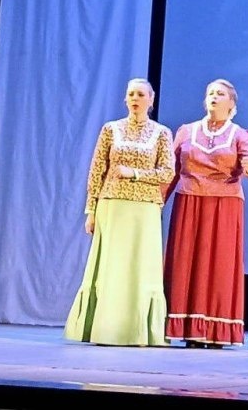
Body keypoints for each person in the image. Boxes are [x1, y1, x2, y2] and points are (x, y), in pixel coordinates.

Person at [64, 78, 175, 346]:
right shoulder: (111, 129)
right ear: (125, 99)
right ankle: (106, 328)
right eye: (131, 94)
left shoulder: (161, 133)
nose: (135, 98)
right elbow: (96, 171)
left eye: (141, 94)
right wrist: (91, 210)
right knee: (112, 267)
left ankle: (139, 330)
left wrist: (135, 173)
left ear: (151, 100)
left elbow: (167, 172)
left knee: (140, 267)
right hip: (112, 204)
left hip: (145, 207)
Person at [163, 78, 248, 347]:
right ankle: (187, 327)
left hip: (224, 205)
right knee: (186, 262)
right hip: (189, 201)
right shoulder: (186, 131)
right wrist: (159, 200)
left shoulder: (240, 135)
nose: (214, 97)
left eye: (220, 94)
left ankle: (217, 330)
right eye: (210, 93)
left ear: (232, 104)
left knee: (219, 265)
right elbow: (171, 170)